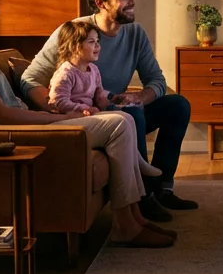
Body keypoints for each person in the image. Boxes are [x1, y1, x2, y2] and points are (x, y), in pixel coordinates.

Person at [0, 0, 174, 248]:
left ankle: (134, 216)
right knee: (119, 124)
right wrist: (59, 116)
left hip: (29, 125)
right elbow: (3, 115)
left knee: (124, 117)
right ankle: (125, 225)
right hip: (17, 135)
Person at [23, 0, 196, 222]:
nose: (132, 1)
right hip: (91, 116)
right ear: (101, 3)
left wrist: (138, 97)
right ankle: (142, 196)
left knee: (178, 105)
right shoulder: (75, 32)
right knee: (133, 115)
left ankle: (162, 188)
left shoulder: (135, 33)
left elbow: (157, 81)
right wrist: (60, 110)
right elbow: (29, 79)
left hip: (113, 105)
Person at [46, 19, 160, 178]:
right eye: (91, 42)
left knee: (128, 116)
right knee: (124, 120)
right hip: (74, 117)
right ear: (75, 46)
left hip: (90, 113)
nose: (98, 46)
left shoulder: (93, 70)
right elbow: (57, 101)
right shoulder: (66, 73)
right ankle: (140, 165)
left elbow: (99, 93)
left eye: (98, 41)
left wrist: (113, 100)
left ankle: (138, 162)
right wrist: (83, 108)